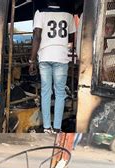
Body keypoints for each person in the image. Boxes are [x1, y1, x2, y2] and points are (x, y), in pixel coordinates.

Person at [29, 0, 76, 133]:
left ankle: (46, 128)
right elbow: (71, 38)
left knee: (45, 92)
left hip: (44, 57)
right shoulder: (68, 15)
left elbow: (37, 37)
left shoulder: (40, 13)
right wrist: (65, 49)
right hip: (61, 58)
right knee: (60, 93)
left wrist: (32, 60)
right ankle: (57, 128)